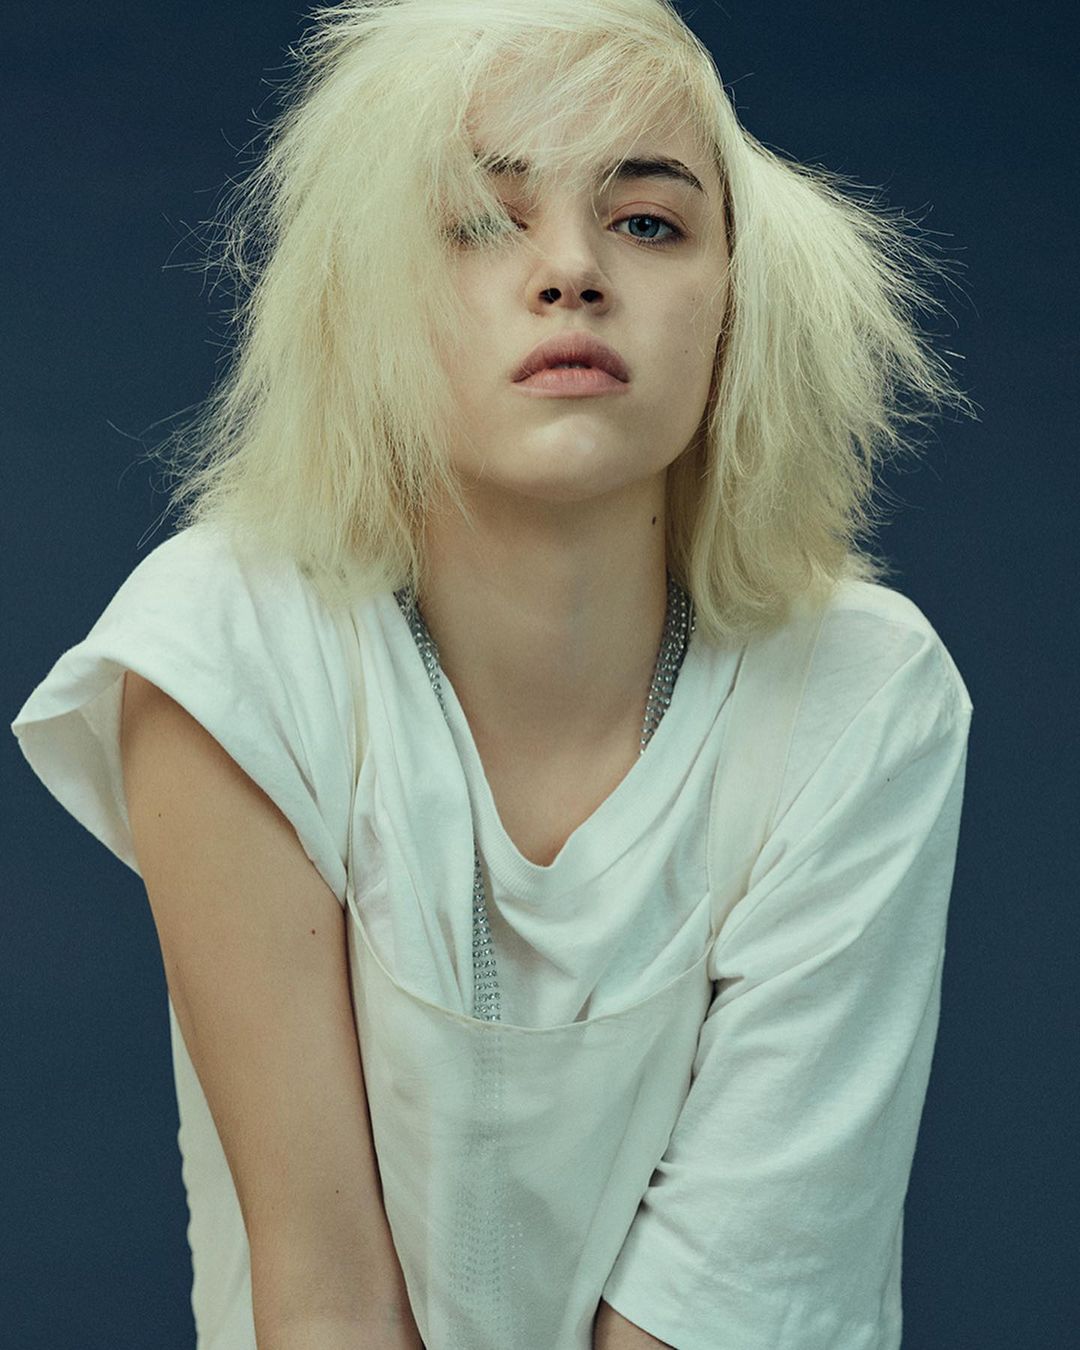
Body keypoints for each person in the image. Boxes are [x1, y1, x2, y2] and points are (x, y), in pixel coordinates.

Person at [11, 1, 978, 1346]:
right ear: (364, 298)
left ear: (739, 304)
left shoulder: (862, 693)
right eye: (479, 219)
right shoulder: (224, 647)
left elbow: (730, 1309)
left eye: (649, 222)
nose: (571, 269)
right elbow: (329, 1300)